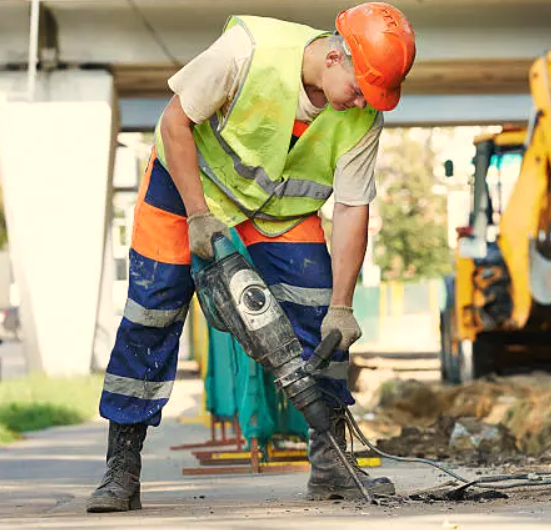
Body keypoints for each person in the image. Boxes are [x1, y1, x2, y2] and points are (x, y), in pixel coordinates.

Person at [86, 2, 416, 513]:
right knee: (150, 317)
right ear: (335, 57)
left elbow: (352, 209)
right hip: (185, 191)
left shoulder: (363, 112)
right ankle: (121, 469)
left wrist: (344, 306)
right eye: (361, 87)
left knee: (321, 316)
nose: (363, 102)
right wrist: (197, 215)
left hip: (277, 211)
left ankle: (332, 466)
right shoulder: (249, 50)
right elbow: (175, 124)